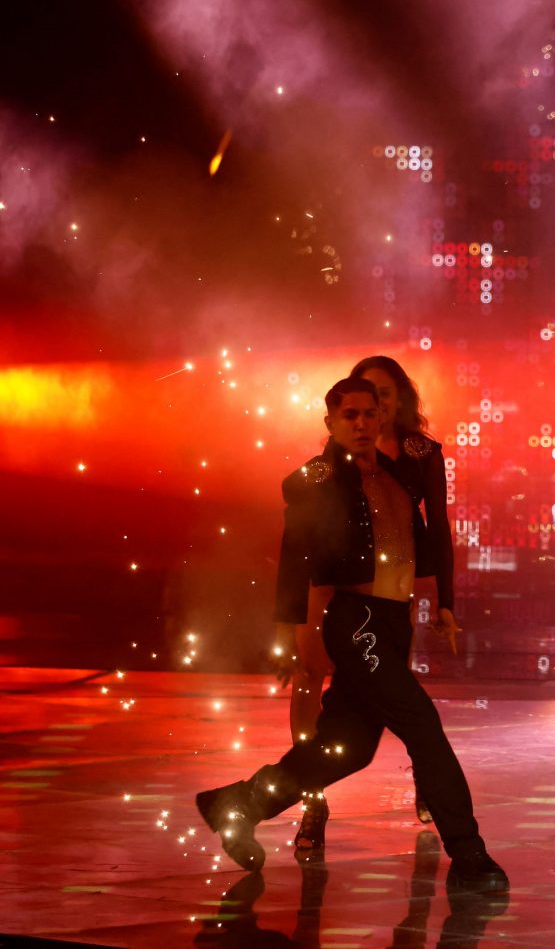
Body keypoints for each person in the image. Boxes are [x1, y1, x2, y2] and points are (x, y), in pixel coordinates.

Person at [194, 378, 506, 895]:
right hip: (357, 621)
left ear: (383, 418)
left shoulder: (399, 473)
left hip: (392, 621)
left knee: (350, 748)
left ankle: (239, 803)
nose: (361, 423)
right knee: (422, 725)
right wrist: (285, 635)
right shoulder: (316, 479)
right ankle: (468, 852)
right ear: (331, 424)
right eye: (350, 415)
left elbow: (433, 516)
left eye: (369, 413)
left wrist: (445, 600)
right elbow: (293, 560)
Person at [352, 355, 461, 830]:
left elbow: (439, 528)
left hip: (398, 584)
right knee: (350, 697)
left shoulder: (421, 453)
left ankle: (425, 780)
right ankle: (313, 804)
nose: (376, 405)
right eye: (368, 395)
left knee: (401, 690)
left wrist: (447, 602)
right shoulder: (343, 452)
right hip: (346, 584)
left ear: (401, 399)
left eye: (385, 394)